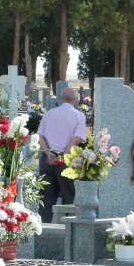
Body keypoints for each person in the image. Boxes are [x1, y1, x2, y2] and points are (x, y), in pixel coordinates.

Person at [35, 87, 88, 222]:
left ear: (61, 99)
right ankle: (68, 231)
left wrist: (48, 153)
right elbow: (76, 138)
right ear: (76, 100)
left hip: (47, 160)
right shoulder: (79, 116)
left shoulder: (49, 114)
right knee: (69, 196)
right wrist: (63, 156)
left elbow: (39, 136)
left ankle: (43, 230)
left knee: (46, 198)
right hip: (67, 160)